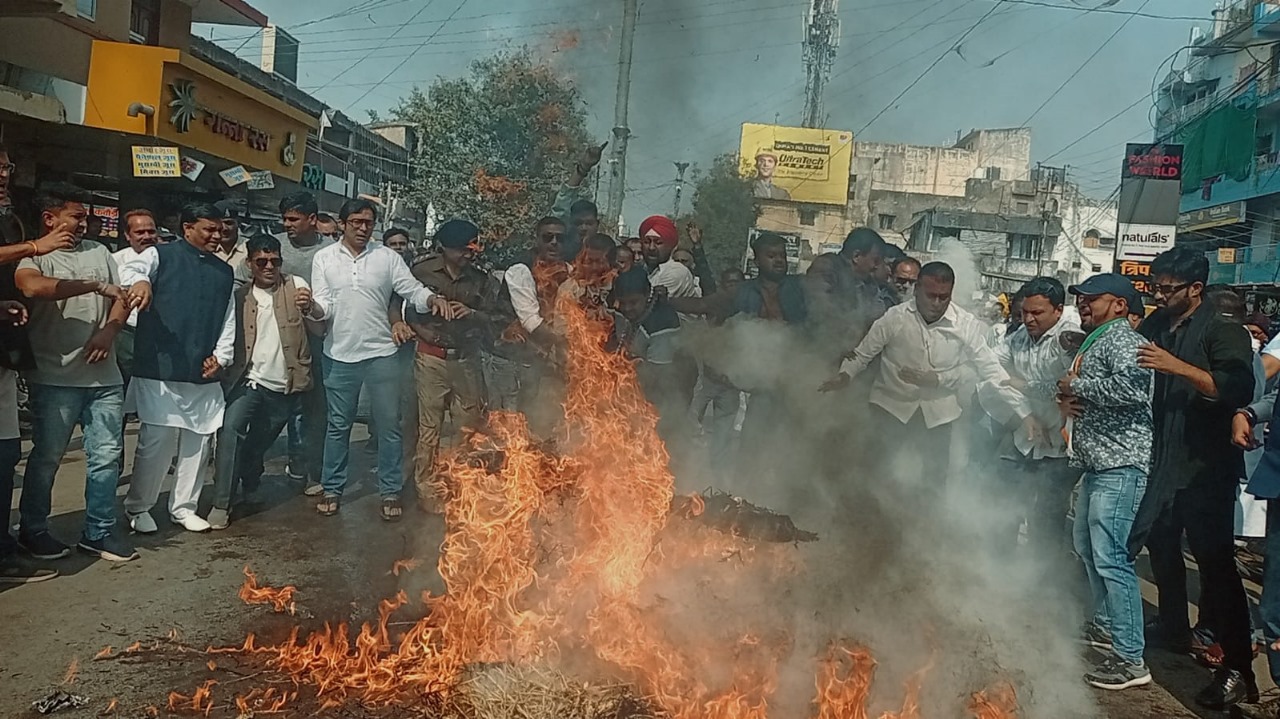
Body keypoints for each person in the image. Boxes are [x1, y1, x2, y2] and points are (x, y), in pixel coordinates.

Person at [1132, 247, 1258, 708]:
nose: (1159, 296)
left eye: (1167, 289)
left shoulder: (1223, 331)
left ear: (1196, 289)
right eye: (1155, 287)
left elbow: (1236, 387)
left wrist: (1177, 367)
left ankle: (1238, 667)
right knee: (1160, 547)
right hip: (1161, 462)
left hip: (1205, 470)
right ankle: (1171, 627)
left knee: (1216, 570)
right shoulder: (1156, 325)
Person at [309, 198, 459, 521]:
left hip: (381, 354)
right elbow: (324, 304)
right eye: (356, 222)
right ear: (343, 223)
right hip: (339, 354)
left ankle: (389, 490)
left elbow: (411, 290)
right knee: (338, 426)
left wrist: (431, 298)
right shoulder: (324, 259)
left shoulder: (387, 257)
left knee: (390, 426)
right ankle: (332, 488)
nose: (363, 228)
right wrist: (311, 308)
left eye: (368, 222)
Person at [13, 183, 137, 562]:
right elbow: (34, 289)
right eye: (77, 217)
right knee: (48, 457)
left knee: (107, 455)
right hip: (55, 378)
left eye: (86, 217)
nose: (85, 223)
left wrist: (110, 329)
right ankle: (33, 530)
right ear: (50, 219)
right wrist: (93, 285)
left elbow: (121, 298)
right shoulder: (34, 258)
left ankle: (98, 531)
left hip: (105, 379)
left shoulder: (101, 252)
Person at [821, 262, 1010, 498]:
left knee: (933, 480)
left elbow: (984, 367)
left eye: (944, 297)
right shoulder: (894, 318)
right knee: (876, 472)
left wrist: (940, 379)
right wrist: (845, 375)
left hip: (938, 415)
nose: (937, 303)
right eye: (931, 296)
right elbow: (863, 354)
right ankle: (867, 523)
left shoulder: (966, 325)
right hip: (890, 407)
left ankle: (923, 527)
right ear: (917, 289)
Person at [1057, 273, 1154, 691]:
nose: (1083, 304)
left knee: (1111, 558)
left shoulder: (1123, 340)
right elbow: (1076, 387)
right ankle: (1106, 627)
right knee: (1088, 548)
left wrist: (1076, 385)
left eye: (1092, 299)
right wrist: (1065, 393)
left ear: (1118, 304)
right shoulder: (1098, 338)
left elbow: (1133, 389)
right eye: (1080, 298)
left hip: (1120, 466)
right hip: (1098, 465)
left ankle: (1131, 658)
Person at [120, 202, 236, 535]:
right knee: (156, 440)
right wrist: (141, 283)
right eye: (209, 229)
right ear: (187, 228)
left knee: (199, 442)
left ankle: (183, 507)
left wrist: (222, 356)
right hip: (160, 364)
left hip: (202, 366)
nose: (217, 235)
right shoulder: (161, 256)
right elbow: (132, 271)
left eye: (219, 229)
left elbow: (228, 317)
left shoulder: (223, 270)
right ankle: (139, 506)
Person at [209, 234, 324, 529]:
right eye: (262, 261)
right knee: (230, 431)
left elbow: (319, 328)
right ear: (250, 264)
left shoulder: (297, 287)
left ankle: (250, 482)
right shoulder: (239, 297)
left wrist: (310, 307)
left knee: (258, 443)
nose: (269, 266)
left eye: (275, 261)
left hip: (284, 385)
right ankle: (221, 502)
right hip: (248, 382)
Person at [982, 276, 1083, 560]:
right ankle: (998, 569)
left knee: (1047, 516)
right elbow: (992, 370)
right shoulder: (1018, 338)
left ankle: (1043, 584)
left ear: (1059, 310)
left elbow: (1074, 384)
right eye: (1025, 311)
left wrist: (1057, 401)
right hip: (1024, 437)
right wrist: (1025, 414)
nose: (1028, 319)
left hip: (1058, 445)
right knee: (1004, 505)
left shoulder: (1068, 339)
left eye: (1037, 312)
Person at [406, 219, 500, 513]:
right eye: (461, 248)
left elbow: (497, 318)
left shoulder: (481, 279)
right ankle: (427, 490)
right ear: (443, 248)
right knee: (429, 430)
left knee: (468, 429)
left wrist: (472, 313)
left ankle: (463, 487)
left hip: (466, 359)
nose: (468, 253)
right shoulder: (421, 272)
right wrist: (418, 330)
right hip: (431, 358)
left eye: (472, 247)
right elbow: (404, 306)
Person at [254, 192, 333, 494]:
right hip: (272, 339)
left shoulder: (331, 252)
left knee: (314, 410)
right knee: (271, 409)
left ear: (312, 220)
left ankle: (308, 468)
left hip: (316, 339)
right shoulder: (274, 247)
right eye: (284, 218)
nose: (286, 224)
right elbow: (243, 279)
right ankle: (250, 472)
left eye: (293, 219)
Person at [806, 228, 889, 365]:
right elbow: (820, 308)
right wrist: (842, 341)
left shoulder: (869, 283)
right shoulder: (826, 267)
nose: (876, 266)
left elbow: (878, 316)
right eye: (875, 260)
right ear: (856, 256)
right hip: (819, 354)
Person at [111, 209, 158, 386]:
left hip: (160, 334)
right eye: (139, 232)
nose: (147, 236)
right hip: (127, 332)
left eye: (151, 231)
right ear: (127, 235)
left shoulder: (169, 258)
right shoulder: (115, 261)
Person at [551, 143, 606, 262]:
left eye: (589, 223)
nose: (583, 228)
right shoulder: (559, 251)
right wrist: (583, 168)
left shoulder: (606, 253)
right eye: (578, 223)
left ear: (597, 224)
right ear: (570, 223)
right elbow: (562, 203)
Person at [212, 198, 248, 270]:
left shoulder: (250, 248)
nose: (224, 228)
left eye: (229, 223)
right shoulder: (207, 249)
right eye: (219, 224)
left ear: (238, 223)